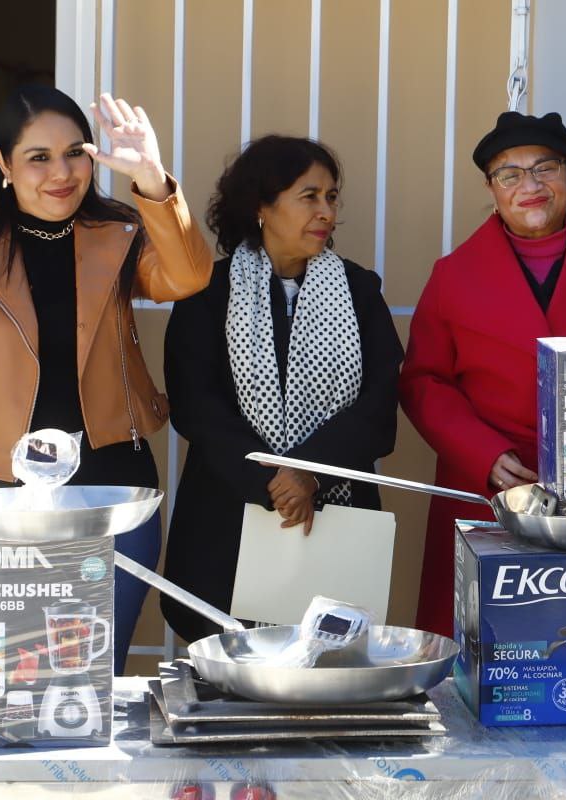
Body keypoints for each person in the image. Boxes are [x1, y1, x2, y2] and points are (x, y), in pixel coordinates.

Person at [0, 86, 213, 673]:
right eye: (38, 157)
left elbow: (188, 275)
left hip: (115, 498)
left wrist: (151, 179)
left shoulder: (121, 233)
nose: (61, 173)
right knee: (11, 690)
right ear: (4, 165)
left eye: (76, 153)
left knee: (95, 679)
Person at [400, 111, 566, 636]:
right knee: (481, 644)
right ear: (491, 189)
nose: (530, 186)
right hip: (483, 486)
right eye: (509, 174)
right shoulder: (452, 276)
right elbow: (424, 382)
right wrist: (482, 454)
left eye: (545, 168)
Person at [161, 136, 402, 643]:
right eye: (308, 196)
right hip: (228, 510)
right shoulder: (208, 292)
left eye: (331, 197)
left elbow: (379, 404)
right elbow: (196, 406)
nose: (325, 211)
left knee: (331, 662)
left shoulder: (359, 290)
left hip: (336, 508)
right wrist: (275, 482)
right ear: (261, 207)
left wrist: (310, 471)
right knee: (229, 667)